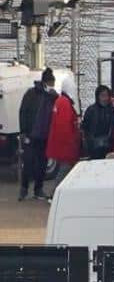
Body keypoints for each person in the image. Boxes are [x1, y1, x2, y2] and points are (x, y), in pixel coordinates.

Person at [18, 68, 58, 201]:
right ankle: (24, 188)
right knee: (28, 162)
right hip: (31, 134)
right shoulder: (31, 94)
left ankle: (38, 189)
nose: (52, 86)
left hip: (45, 136)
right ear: (46, 82)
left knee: (42, 164)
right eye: (51, 82)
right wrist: (23, 131)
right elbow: (23, 112)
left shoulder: (53, 97)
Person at [45, 77, 81, 189]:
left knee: (64, 169)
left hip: (60, 143)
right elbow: (64, 127)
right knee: (65, 170)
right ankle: (56, 192)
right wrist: (71, 144)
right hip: (65, 145)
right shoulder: (65, 103)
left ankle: (56, 192)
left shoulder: (60, 101)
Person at [81, 85, 114, 160]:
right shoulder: (91, 110)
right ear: (97, 97)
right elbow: (85, 127)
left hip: (109, 145)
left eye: (107, 96)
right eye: (103, 96)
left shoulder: (113, 110)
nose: (105, 98)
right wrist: (88, 141)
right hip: (94, 146)